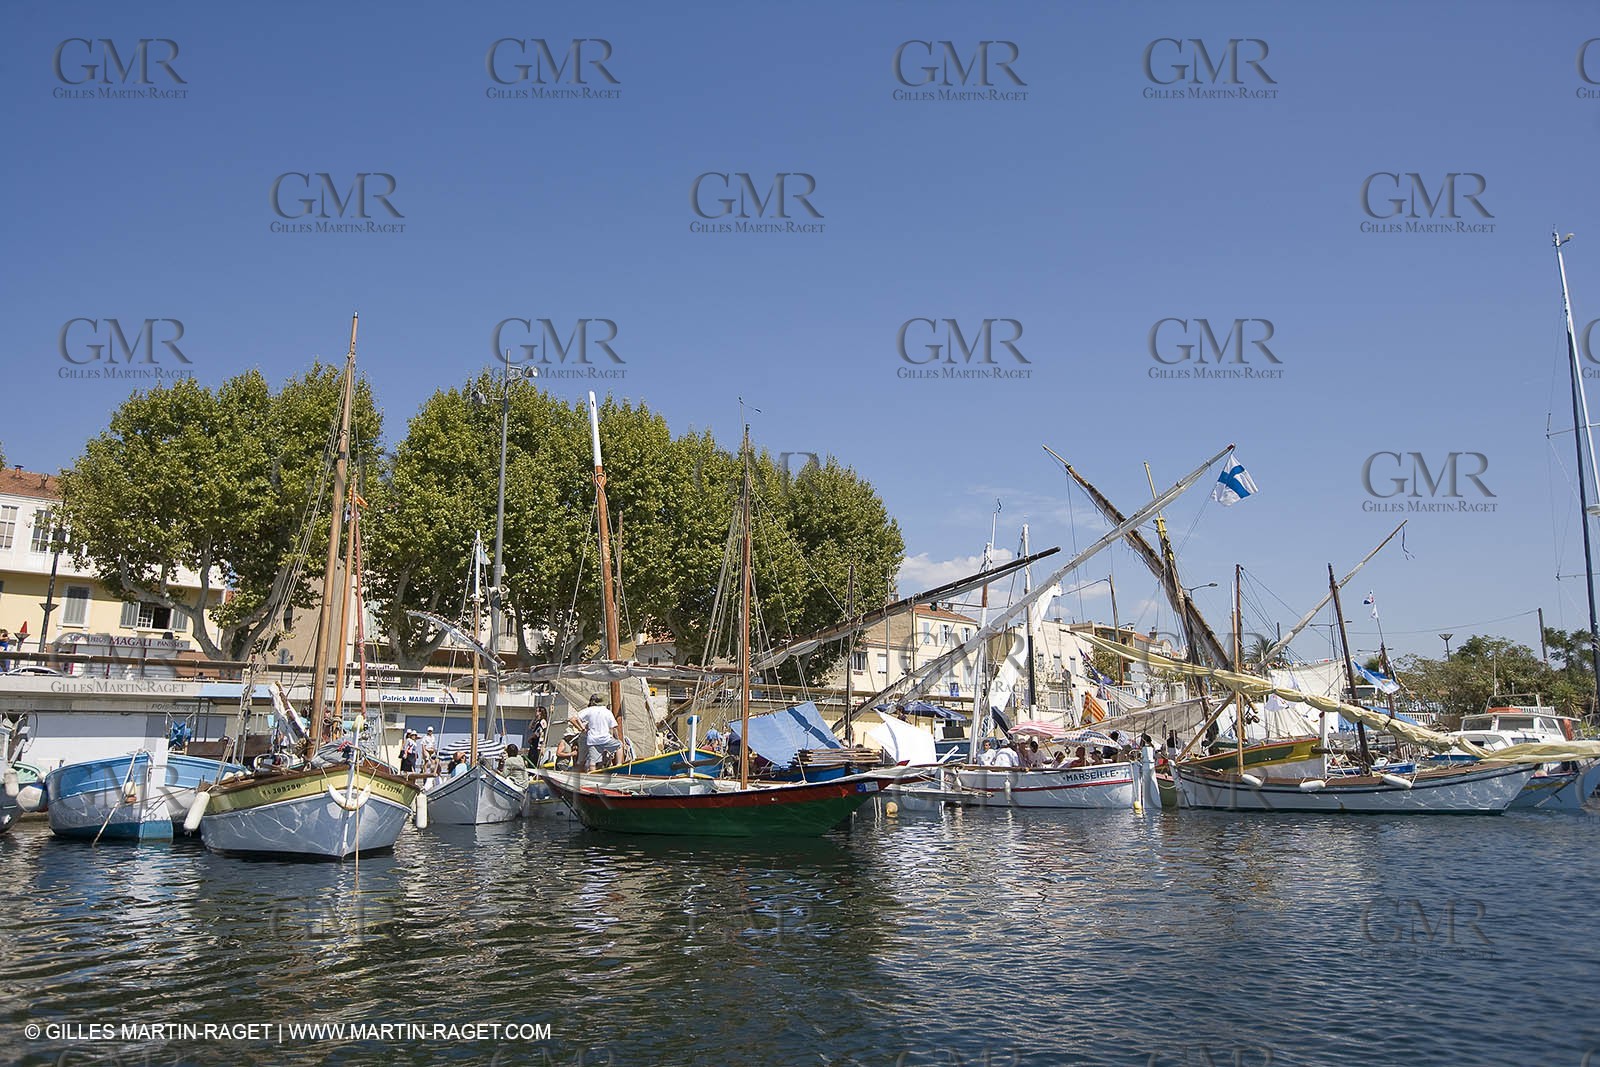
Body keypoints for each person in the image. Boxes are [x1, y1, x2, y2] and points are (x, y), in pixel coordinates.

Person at [577, 694, 621, 770]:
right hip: (605, 739)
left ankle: (593, 775)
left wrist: (582, 728)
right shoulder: (607, 712)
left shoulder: (589, 710)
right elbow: (613, 727)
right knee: (620, 746)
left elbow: (574, 718)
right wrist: (617, 738)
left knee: (593, 761)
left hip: (592, 739)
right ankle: (619, 764)